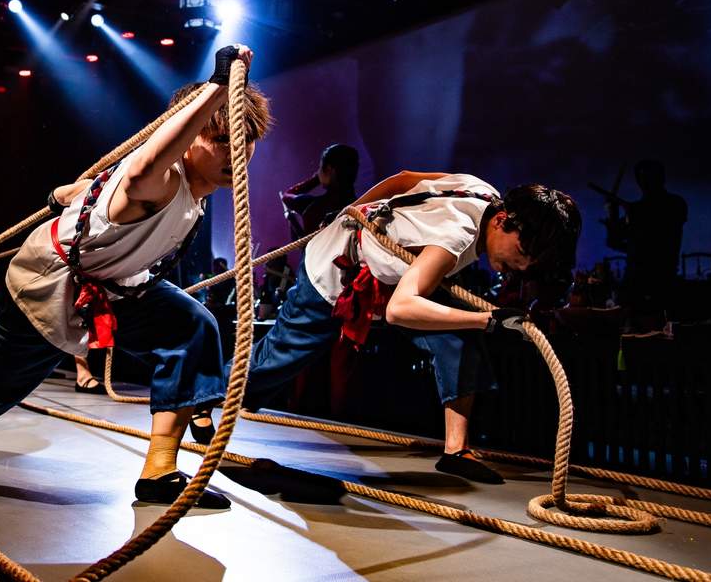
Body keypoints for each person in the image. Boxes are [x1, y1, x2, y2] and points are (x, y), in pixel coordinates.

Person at [0, 45, 271, 509]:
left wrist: (69, 194)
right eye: (221, 140)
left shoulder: (196, 196)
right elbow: (142, 168)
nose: (236, 154)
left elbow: (99, 194)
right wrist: (218, 86)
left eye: (244, 143)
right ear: (189, 137)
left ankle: (160, 471)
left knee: (193, 328)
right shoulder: (161, 180)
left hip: (116, 286)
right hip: (48, 284)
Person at [240, 172, 580, 484]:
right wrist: (485, 320)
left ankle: (455, 450)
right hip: (334, 271)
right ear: (502, 221)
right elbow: (400, 310)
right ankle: (204, 395)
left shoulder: (482, 190)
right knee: (278, 361)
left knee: (457, 337)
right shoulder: (455, 238)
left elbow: (403, 180)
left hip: (387, 274)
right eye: (521, 252)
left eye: (529, 263)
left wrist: (354, 208)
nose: (520, 266)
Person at [603, 159, 687, 308]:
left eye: (649, 177)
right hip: (635, 282)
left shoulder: (675, 204)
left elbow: (655, 238)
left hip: (661, 281)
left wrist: (622, 216)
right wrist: (613, 214)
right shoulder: (636, 210)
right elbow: (615, 241)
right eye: (642, 179)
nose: (646, 182)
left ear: (661, 178)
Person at [280, 143, 359, 241]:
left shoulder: (314, 207)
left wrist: (316, 179)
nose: (318, 172)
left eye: (320, 168)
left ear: (329, 170)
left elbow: (287, 197)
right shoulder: (359, 207)